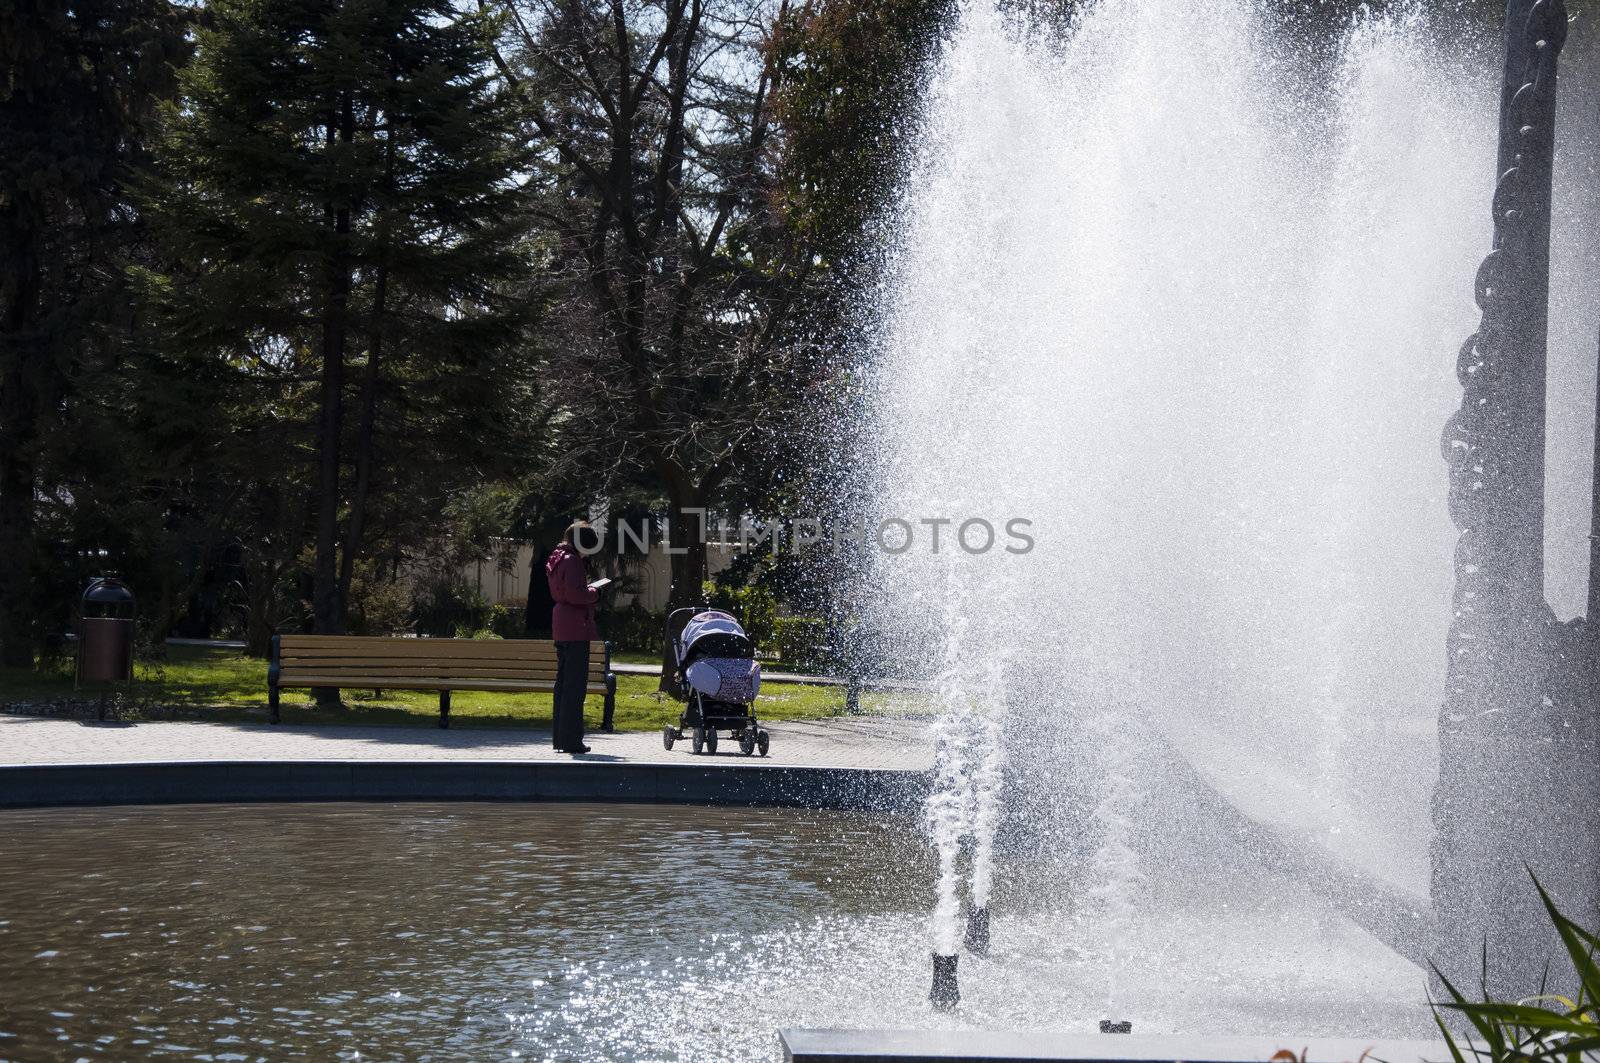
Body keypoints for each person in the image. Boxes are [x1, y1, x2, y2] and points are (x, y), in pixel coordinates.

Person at [546, 521, 601, 754]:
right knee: (575, 687)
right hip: (576, 626)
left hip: (561, 623)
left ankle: (560, 738)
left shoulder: (557, 558)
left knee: (563, 685)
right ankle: (571, 740)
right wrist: (595, 592)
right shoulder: (573, 562)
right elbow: (575, 595)